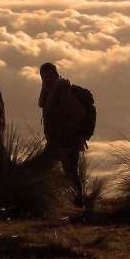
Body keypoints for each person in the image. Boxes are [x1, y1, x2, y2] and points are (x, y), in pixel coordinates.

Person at [30, 62, 93, 192]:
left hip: (66, 141)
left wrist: (65, 133)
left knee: (47, 170)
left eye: (49, 76)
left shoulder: (62, 92)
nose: (47, 80)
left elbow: (79, 113)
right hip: (57, 141)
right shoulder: (49, 93)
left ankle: (79, 203)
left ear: (56, 75)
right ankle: (79, 203)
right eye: (44, 77)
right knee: (69, 173)